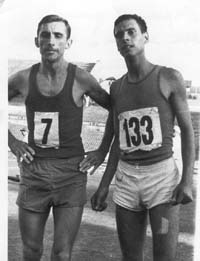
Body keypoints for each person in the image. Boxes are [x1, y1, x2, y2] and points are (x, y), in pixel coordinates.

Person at [80, 14, 195, 261]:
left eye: (131, 32)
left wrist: (186, 180)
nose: (125, 38)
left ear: (145, 36)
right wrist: (103, 186)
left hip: (162, 180)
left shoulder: (168, 77)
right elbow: (117, 141)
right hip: (127, 181)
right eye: (119, 34)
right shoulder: (117, 88)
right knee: (130, 257)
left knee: (164, 257)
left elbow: (187, 130)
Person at [8, 14, 110, 261]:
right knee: (31, 251)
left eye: (58, 35)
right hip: (35, 170)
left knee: (62, 253)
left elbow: (117, 109)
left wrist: (101, 150)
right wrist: (11, 140)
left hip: (71, 172)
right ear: (36, 41)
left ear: (68, 43)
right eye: (45, 35)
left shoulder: (81, 78)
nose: (51, 41)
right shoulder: (23, 78)